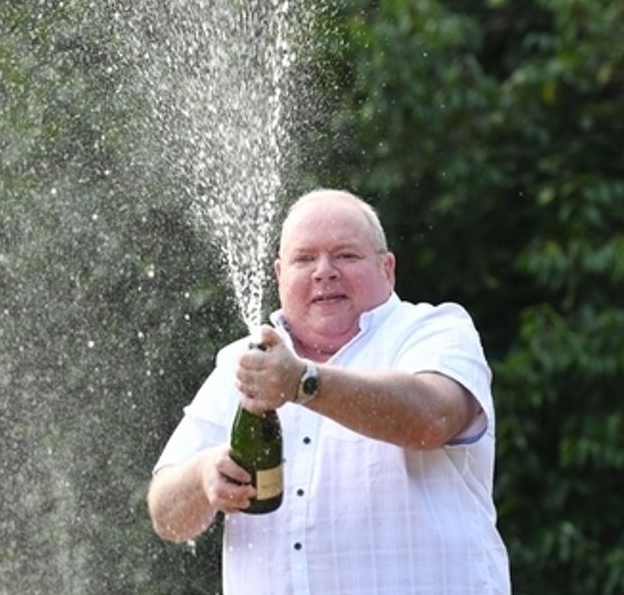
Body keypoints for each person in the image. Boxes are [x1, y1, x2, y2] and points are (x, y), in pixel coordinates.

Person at [148, 189, 510, 594]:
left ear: (387, 269)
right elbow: (166, 516)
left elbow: (431, 419)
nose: (324, 271)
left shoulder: (433, 331)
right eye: (304, 259)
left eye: (346, 255)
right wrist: (202, 477)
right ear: (279, 275)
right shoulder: (245, 361)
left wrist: (302, 383)